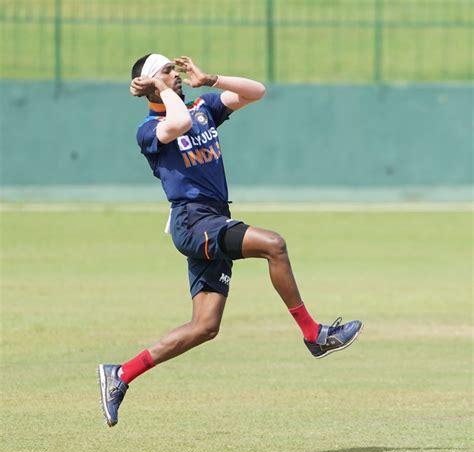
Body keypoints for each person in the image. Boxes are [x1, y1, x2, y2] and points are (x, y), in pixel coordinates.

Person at [98, 53, 363, 427]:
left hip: (213, 218)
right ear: (150, 86)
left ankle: (120, 374)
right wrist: (160, 87)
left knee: (205, 326)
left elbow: (257, 91)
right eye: (165, 72)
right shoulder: (149, 129)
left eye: (173, 70)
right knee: (274, 244)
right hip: (193, 222)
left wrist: (211, 79)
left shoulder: (202, 107)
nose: (174, 74)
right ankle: (313, 333)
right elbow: (179, 121)